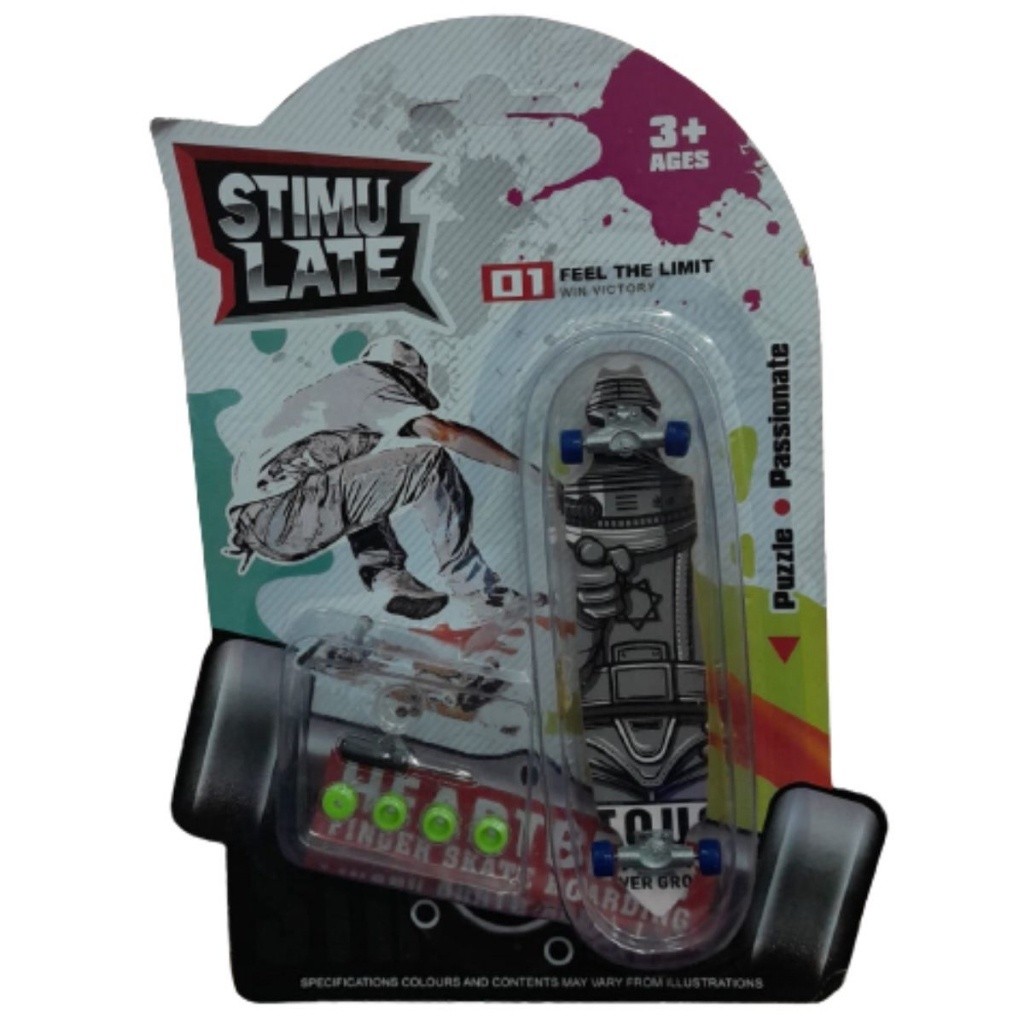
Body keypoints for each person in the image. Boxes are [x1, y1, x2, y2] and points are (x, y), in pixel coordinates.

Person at [225, 337, 526, 621]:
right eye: (414, 392)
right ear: (403, 378)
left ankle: (389, 581)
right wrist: (522, 467)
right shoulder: (373, 381)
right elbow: (446, 434)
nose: (412, 401)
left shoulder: (327, 396)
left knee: (368, 483)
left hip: (258, 527)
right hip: (289, 504)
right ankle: (479, 592)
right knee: (430, 462)